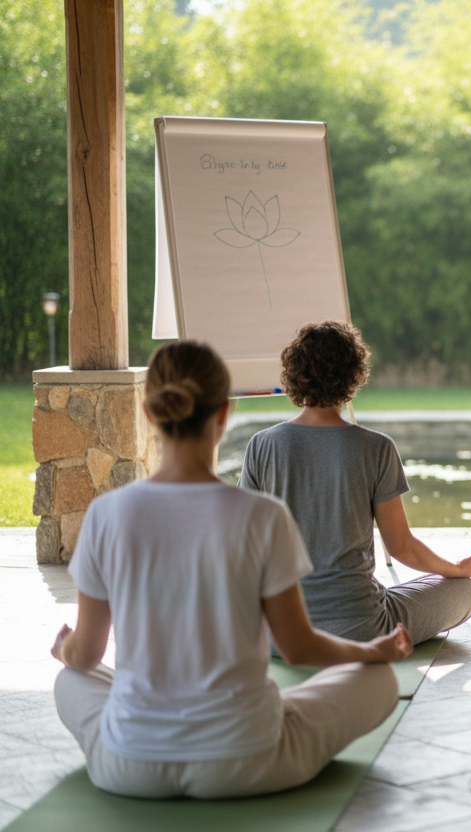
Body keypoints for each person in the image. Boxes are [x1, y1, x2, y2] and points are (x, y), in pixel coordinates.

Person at [51, 341, 412, 799]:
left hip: (130, 765)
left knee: (70, 678)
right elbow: (298, 649)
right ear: (223, 413)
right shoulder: (262, 516)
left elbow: (85, 654)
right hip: (247, 760)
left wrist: (66, 647)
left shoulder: (106, 514)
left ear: (148, 412)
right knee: (377, 678)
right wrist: (373, 652)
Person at [240, 320, 471, 646]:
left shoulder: (261, 445)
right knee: (465, 590)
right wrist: (455, 568)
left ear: (293, 373)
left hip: (280, 636)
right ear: (354, 374)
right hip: (361, 630)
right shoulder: (376, 448)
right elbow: (401, 547)